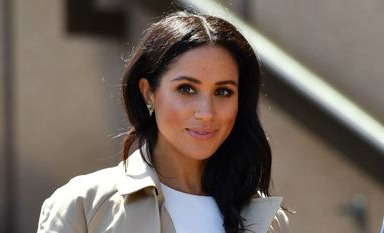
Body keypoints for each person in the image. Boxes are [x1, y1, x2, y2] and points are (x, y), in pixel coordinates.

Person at [37, 11, 289, 233]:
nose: (206, 113)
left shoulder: (266, 221)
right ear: (149, 92)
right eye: (187, 89)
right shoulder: (84, 205)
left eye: (223, 92)